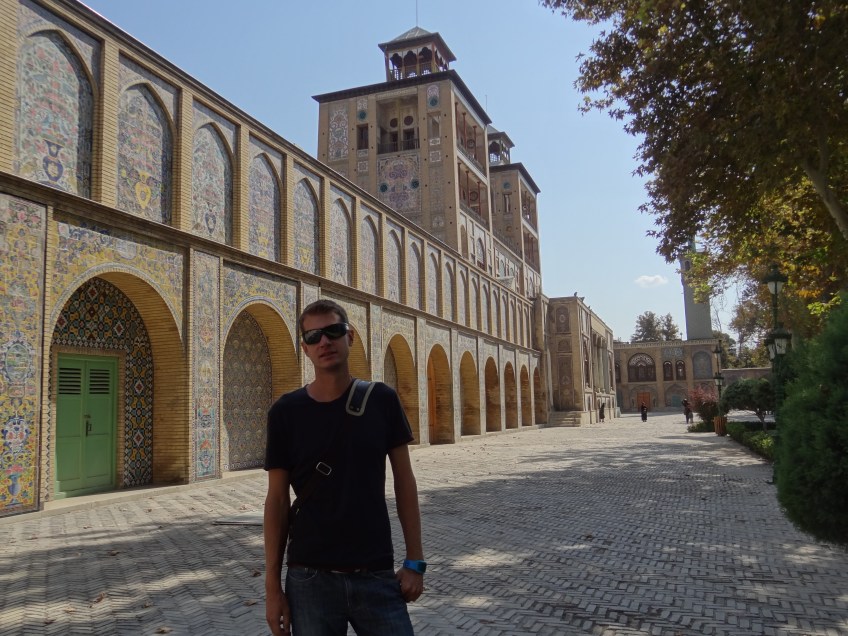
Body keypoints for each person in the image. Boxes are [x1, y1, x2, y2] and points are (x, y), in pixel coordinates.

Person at [264, 299, 424, 636]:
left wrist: (415, 562)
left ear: (350, 336)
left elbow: (404, 482)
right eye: (313, 337)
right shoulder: (285, 412)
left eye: (333, 331)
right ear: (305, 349)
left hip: (375, 572)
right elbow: (276, 500)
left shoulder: (382, 400)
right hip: (310, 578)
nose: (324, 342)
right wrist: (272, 588)